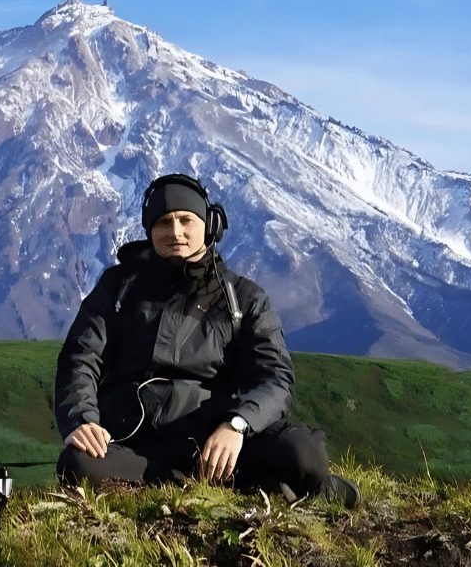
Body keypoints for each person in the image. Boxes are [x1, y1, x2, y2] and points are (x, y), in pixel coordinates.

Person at [54, 173, 359, 508]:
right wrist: (81, 419)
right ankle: (234, 487)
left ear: (209, 225)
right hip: (135, 444)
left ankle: (184, 485)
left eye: (186, 220)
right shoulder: (117, 288)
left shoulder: (244, 299)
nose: (176, 233)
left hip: (219, 444)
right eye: (164, 223)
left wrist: (238, 425)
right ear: (148, 229)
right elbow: (80, 358)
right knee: (78, 463)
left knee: (305, 454)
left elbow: (276, 379)